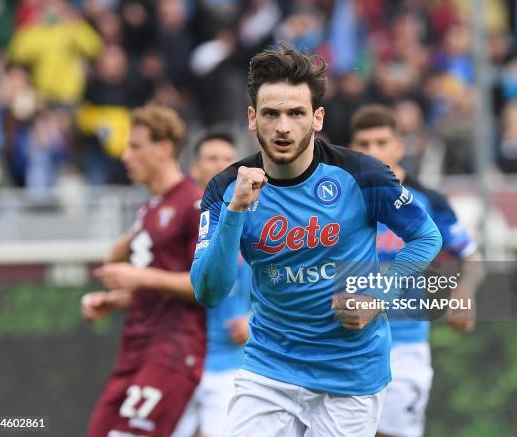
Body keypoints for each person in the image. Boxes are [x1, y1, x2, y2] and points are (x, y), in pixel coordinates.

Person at [190, 43, 442, 436]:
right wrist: (235, 213)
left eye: (296, 113)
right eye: (271, 114)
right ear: (253, 118)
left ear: (318, 117)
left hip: (351, 374)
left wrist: (378, 297)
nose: (283, 127)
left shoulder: (363, 175)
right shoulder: (226, 188)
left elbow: (425, 237)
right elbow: (209, 291)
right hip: (269, 370)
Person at [348, 104, 484, 437]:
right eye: (364, 145)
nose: (373, 152)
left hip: (404, 345)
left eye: (381, 143)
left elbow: (473, 257)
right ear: (351, 149)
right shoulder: (335, 201)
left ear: (399, 146)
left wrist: (464, 292)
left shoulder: (427, 200)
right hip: (348, 342)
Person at [81, 104, 206, 437]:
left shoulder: (194, 204)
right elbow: (132, 267)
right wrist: (118, 299)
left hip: (172, 351)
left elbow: (204, 287)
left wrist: (138, 278)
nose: (125, 156)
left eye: (135, 146)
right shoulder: (149, 208)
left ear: (164, 148)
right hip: (134, 349)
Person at [173, 132, 251, 437]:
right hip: (180, 361)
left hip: (229, 363)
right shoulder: (181, 222)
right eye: (212, 158)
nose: (221, 166)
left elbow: (279, 282)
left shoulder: (251, 220)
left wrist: (254, 320)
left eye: (227, 159)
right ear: (194, 168)